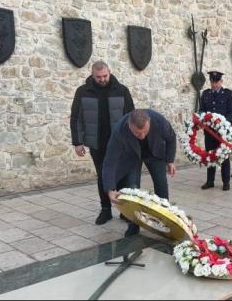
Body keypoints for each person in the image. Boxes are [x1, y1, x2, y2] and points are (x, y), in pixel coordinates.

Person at [70, 60, 135, 226]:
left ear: (109, 72)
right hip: (96, 143)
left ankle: (124, 211)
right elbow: (76, 118)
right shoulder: (83, 92)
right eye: (98, 76)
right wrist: (77, 142)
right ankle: (105, 210)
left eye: (105, 75)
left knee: (120, 175)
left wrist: (131, 140)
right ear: (92, 75)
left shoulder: (122, 90)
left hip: (119, 142)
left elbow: (131, 117)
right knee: (102, 177)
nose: (102, 79)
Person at [103, 109, 177, 237]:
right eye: (138, 133)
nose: (142, 136)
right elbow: (110, 162)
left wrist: (170, 161)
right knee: (132, 189)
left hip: (155, 153)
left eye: (145, 132)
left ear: (150, 123)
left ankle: (165, 222)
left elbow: (171, 138)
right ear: (129, 125)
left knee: (161, 185)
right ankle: (133, 225)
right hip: (131, 156)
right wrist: (110, 189)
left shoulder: (159, 121)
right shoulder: (119, 130)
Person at [199, 71, 232, 191]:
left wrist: (223, 123)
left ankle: (226, 182)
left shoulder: (228, 94)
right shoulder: (205, 94)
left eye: (216, 82)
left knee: (223, 156)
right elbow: (201, 111)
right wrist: (203, 120)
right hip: (209, 132)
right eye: (212, 82)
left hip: (223, 132)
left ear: (221, 82)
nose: (214, 84)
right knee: (210, 155)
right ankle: (210, 181)